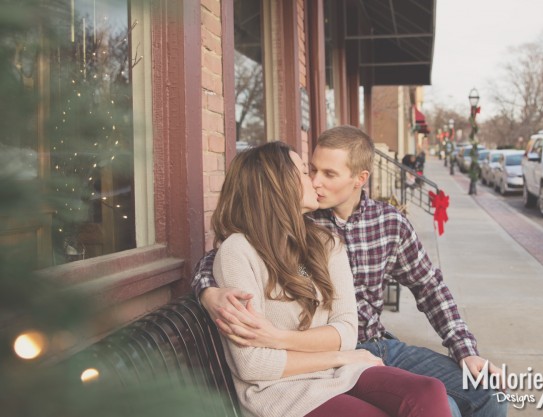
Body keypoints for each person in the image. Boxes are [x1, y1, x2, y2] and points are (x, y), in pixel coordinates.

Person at [193, 126, 507, 417]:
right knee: (447, 407)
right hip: (319, 360)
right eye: (310, 170)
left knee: (485, 392)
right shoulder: (301, 223)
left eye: (328, 174)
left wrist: (465, 351)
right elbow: (222, 258)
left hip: (375, 343)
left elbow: (430, 287)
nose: (315, 181)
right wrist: (208, 291)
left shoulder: (381, 225)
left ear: (359, 178)